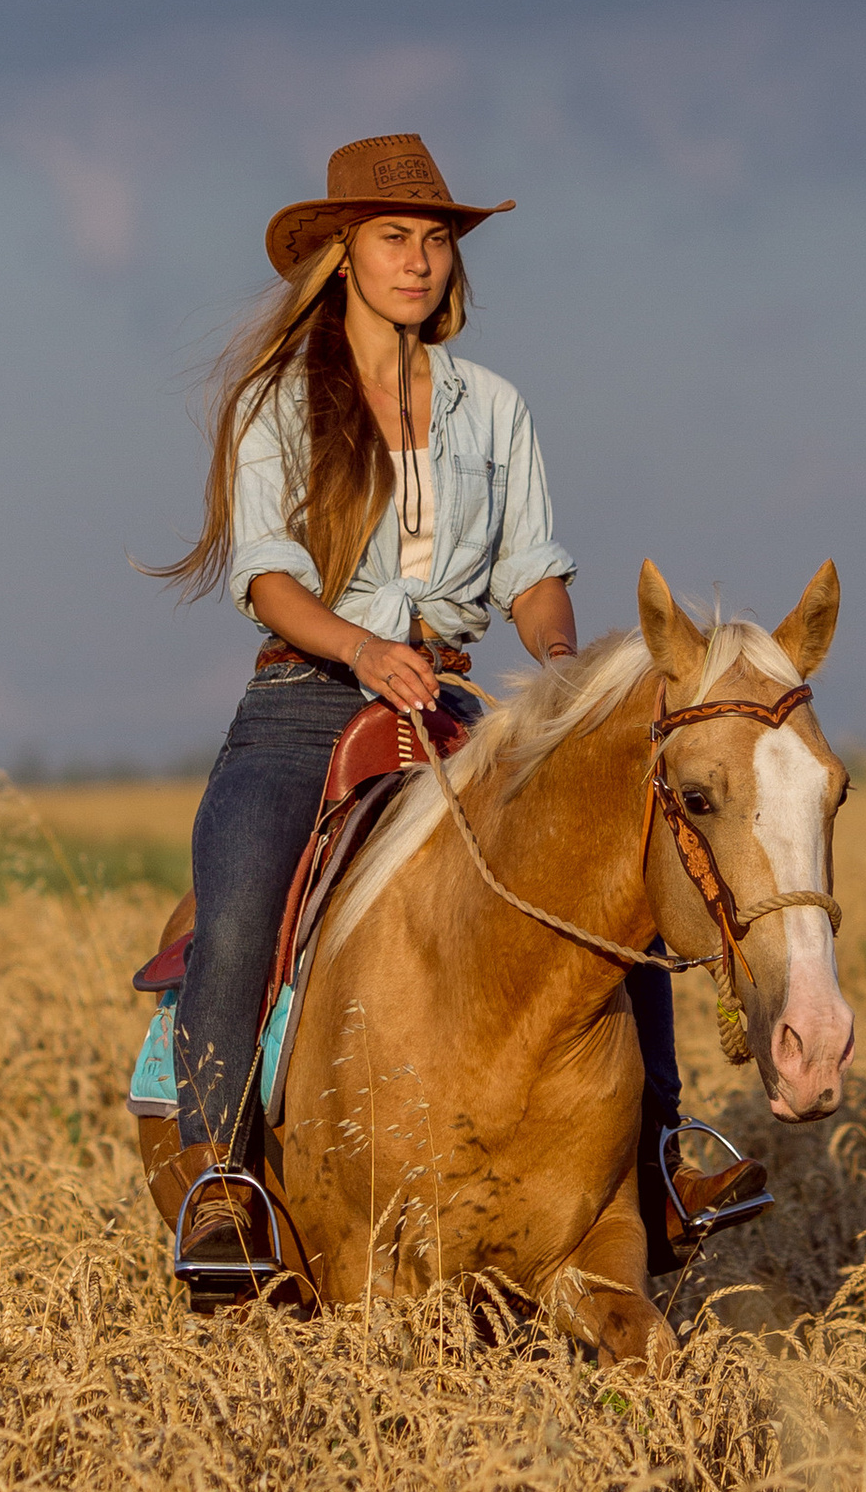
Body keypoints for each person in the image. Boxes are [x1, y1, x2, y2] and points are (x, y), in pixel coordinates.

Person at [148, 130, 748, 1291]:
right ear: (341, 254)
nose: (417, 261)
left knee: (611, 883)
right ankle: (220, 1179)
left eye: (433, 241)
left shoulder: (494, 407)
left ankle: (662, 1156)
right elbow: (268, 579)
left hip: (462, 693)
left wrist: (567, 676)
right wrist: (365, 649)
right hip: (305, 696)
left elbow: (531, 573)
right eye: (392, 239)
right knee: (233, 914)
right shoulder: (281, 403)